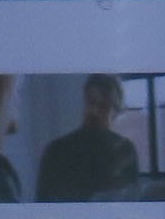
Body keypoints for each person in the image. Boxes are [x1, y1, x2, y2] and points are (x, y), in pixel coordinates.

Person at [33, 74, 144, 202]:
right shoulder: (57, 150)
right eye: (91, 102)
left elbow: (132, 199)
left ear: (116, 111)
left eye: (103, 106)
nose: (93, 111)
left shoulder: (125, 151)